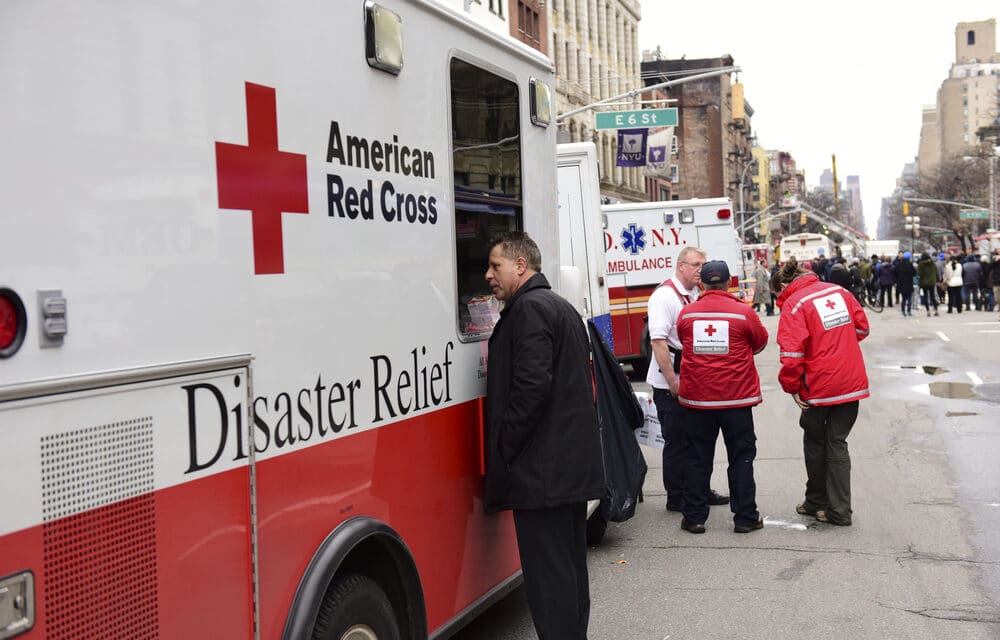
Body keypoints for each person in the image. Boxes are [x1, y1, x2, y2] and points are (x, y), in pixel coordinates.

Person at [483, 231, 604, 640]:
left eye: (495, 265)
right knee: (567, 574)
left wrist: (506, 446)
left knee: (550, 581)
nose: (488, 275)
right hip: (564, 471)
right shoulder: (556, 305)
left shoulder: (530, 309)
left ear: (521, 265)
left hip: (542, 474)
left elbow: (531, 387)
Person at [771, 257, 870, 527]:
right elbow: (862, 328)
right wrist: (838, 341)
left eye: (776, 295)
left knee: (815, 439)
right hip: (852, 381)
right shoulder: (841, 292)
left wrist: (792, 386)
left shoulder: (795, 304)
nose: (778, 300)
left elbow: (791, 355)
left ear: (783, 285)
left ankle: (818, 501)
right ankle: (838, 508)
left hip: (820, 385)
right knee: (837, 441)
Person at [675, 261, 769, 534]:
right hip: (736, 400)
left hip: (698, 401)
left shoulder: (687, 314)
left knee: (696, 458)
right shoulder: (743, 312)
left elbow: (683, 341)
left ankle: (694, 517)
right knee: (741, 457)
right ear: (729, 282)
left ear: (702, 284)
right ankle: (745, 518)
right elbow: (760, 343)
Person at [646, 246, 729, 513]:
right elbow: (658, 343)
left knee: (696, 439)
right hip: (671, 380)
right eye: (696, 264)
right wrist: (672, 382)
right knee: (677, 440)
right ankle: (677, 496)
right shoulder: (665, 296)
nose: (700, 270)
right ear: (681, 266)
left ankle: (698, 490)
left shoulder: (693, 293)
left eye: (703, 265)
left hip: (692, 378)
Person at [916, 252, 940, 317]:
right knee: (932, 297)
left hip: (924, 283)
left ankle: (928, 311)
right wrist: (937, 281)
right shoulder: (933, 264)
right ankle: (936, 310)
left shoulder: (920, 264)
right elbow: (936, 273)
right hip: (932, 282)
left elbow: (919, 274)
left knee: (925, 297)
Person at [896, 251, 916, 317]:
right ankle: (909, 311)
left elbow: (895, 272)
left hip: (901, 284)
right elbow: (914, 273)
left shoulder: (899, 264)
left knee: (903, 298)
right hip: (909, 283)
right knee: (909, 298)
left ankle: (903, 311)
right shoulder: (910, 264)